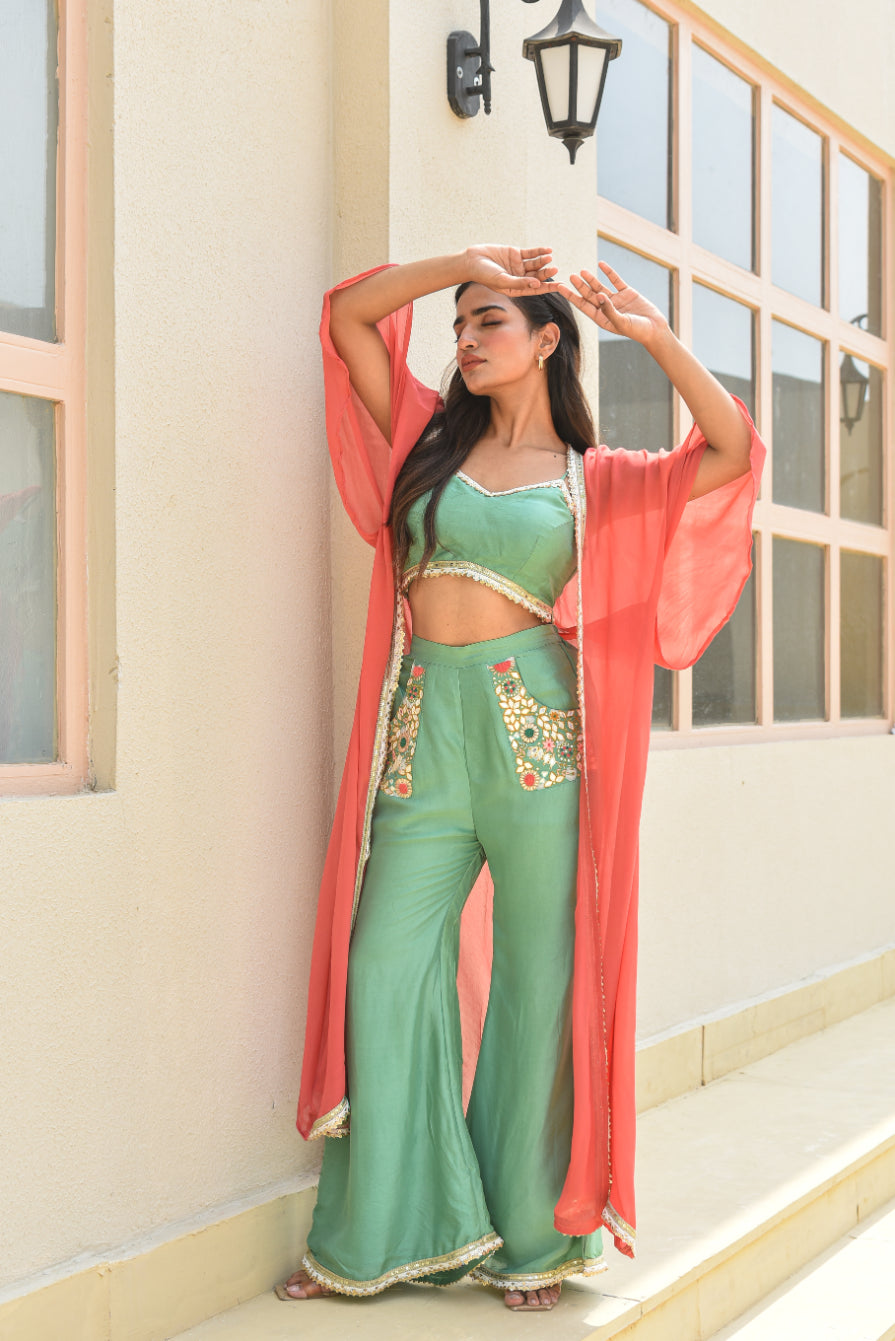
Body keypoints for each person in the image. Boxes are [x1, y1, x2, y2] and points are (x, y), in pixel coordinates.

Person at [277, 246, 765, 1311]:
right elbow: (350, 318)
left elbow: (729, 447)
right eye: (460, 325)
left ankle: (534, 1242)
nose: (464, 339)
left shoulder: (602, 481)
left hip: (537, 740)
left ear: (547, 340)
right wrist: (463, 263)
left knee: (539, 990)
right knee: (385, 971)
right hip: (423, 735)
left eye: (488, 320)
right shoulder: (424, 439)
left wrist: (651, 332)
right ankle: (389, 1234)